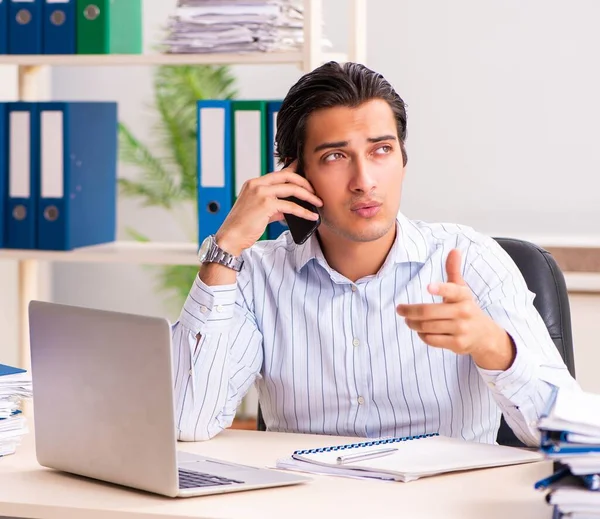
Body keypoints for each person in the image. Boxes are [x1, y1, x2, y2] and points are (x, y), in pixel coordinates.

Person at [171, 61, 579, 445]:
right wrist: (225, 248)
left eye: (381, 150)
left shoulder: (471, 259)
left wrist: (493, 346)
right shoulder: (256, 275)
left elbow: (567, 429)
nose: (364, 181)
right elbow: (187, 421)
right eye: (335, 156)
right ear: (294, 175)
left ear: (403, 159)